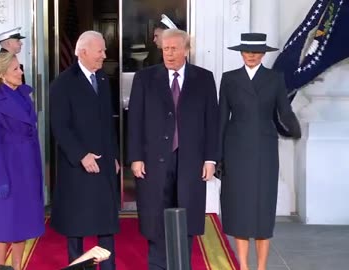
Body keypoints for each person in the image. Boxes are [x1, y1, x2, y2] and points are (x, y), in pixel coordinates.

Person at [127, 29, 219, 270]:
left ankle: (181, 265)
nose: (168, 53)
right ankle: (157, 266)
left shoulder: (204, 78)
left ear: (186, 50)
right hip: (154, 160)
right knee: (156, 215)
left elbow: (212, 121)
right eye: (165, 49)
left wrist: (211, 159)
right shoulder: (145, 78)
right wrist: (135, 157)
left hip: (191, 160)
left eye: (174, 48)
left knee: (187, 215)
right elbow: (134, 121)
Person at [219, 33, 301, 270]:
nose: (251, 55)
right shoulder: (229, 78)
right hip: (235, 150)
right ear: (241, 53)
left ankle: (261, 267)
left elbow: (284, 112)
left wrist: (293, 129)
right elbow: (222, 118)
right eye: (246, 51)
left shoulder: (275, 79)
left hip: (265, 150)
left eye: (255, 52)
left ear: (263, 54)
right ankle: (244, 266)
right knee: (239, 209)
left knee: (263, 209)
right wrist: (217, 156)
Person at [49, 30, 120, 270]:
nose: (104, 55)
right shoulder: (63, 83)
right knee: (77, 226)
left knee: (106, 223)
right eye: (100, 51)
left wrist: (115, 156)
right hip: (77, 167)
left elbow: (108, 123)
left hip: (105, 163)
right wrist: (81, 155)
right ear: (83, 52)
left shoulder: (102, 79)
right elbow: (60, 126)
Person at [0, 52, 45, 270]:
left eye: (20, 68)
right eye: (15, 69)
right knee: (6, 223)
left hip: (28, 166)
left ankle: (17, 266)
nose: (21, 72)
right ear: (1, 75)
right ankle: (0, 267)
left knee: (23, 221)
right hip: (9, 168)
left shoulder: (23, 95)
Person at [0, 27, 27, 175]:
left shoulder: (15, 63)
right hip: (8, 149)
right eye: (17, 40)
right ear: (8, 43)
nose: (21, 43)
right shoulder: (1, 65)